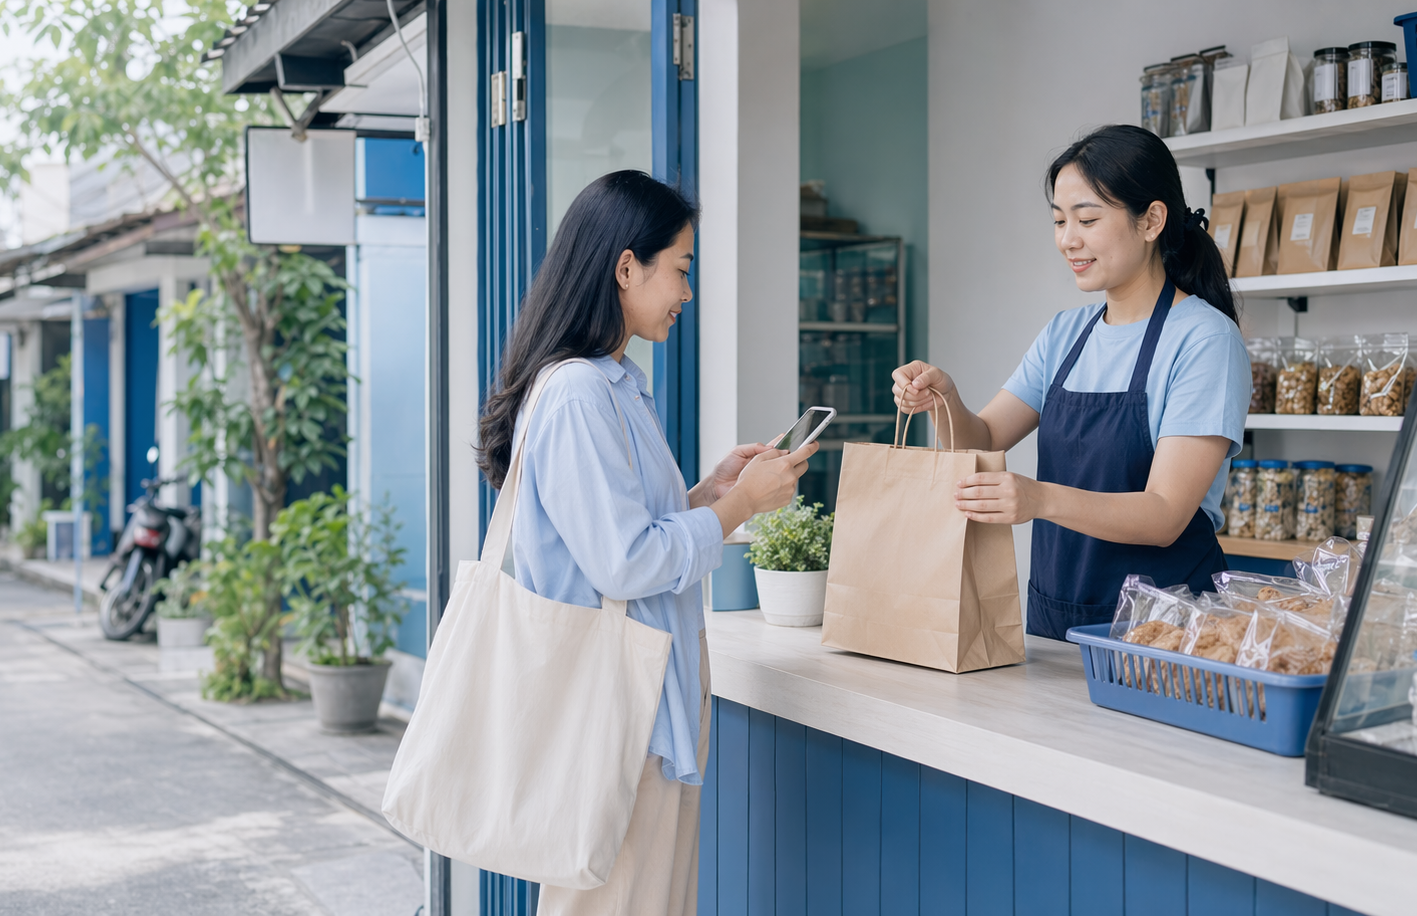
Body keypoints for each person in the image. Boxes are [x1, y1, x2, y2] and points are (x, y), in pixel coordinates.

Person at [476, 170, 815, 915]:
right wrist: (735, 514)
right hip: (614, 708)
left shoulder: (614, 383)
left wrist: (707, 494)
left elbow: (617, 533)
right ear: (626, 266)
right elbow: (624, 562)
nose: (686, 293)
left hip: (637, 699)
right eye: (681, 269)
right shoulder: (579, 393)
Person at [891, 124, 1250, 641]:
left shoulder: (1204, 340)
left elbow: (1165, 514)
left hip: (1166, 630)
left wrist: (1038, 500)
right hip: (1056, 618)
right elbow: (984, 441)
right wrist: (945, 400)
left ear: (1151, 220)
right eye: (1059, 220)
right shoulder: (1066, 333)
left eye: (1087, 219)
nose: (1067, 240)